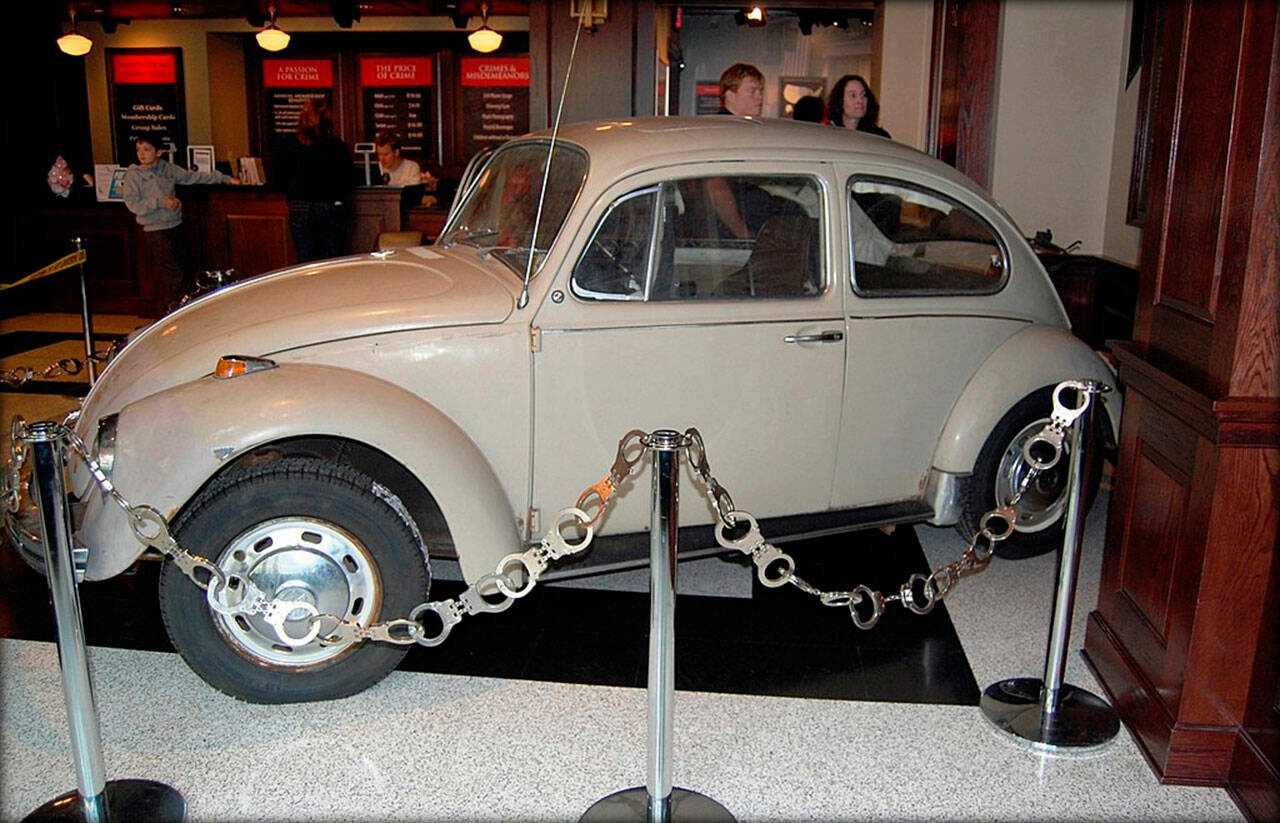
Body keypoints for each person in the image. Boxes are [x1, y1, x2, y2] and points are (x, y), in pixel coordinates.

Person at [121, 135, 240, 308]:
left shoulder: (167, 169)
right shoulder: (133, 175)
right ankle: (179, 306)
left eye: (147, 149)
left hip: (175, 224)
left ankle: (189, 304)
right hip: (155, 229)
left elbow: (193, 177)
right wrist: (161, 202)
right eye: (138, 150)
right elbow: (133, 204)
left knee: (185, 267)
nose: (142, 154)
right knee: (173, 271)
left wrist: (224, 178)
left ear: (159, 152)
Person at [278, 99, 354, 262]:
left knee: (305, 260)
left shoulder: (290, 144)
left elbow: (281, 175)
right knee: (331, 261)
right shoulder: (336, 145)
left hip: (299, 205)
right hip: (329, 205)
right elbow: (348, 179)